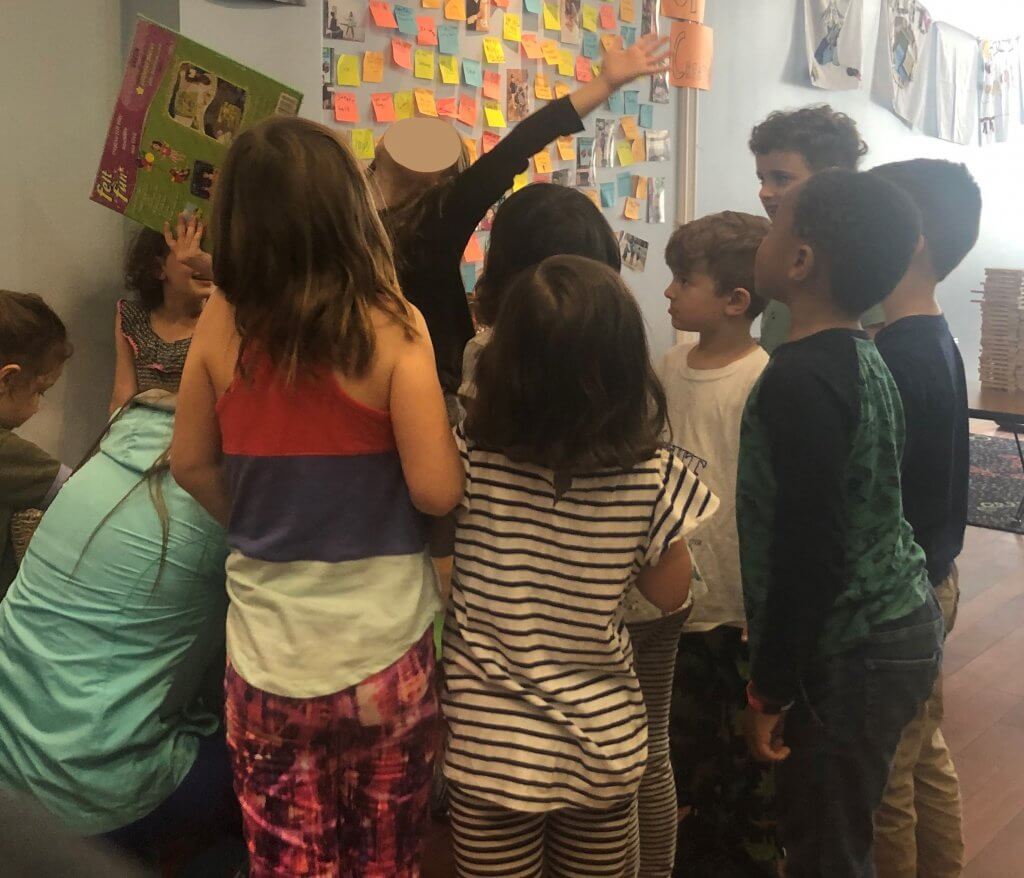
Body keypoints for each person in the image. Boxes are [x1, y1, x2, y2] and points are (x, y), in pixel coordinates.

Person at [170, 115, 464, 877]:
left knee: (290, 859)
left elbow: (190, 464)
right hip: (383, 656)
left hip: (269, 659)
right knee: (388, 853)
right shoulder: (396, 326)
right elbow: (436, 488)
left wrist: (260, 522)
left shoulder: (220, 322)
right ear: (351, 210)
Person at [444, 254, 719, 876]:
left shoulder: (468, 458)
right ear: (625, 372)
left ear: (504, 362)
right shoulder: (652, 478)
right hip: (601, 746)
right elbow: (671, 593)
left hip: (489, 750)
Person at [737, 169, 944, 877]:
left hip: (857, 647)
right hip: (891, 624)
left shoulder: (798, 379)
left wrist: (771, 687)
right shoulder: (864, 353)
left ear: (799, 263)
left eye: (773, 226)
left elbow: (809, 548)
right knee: (839, 825)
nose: (762, 233)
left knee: (826, 843)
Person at [371, 35, 669, 417]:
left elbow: (519, 145)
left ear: (442, 180)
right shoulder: (349, 211)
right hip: (382, 380)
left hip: (429, 386)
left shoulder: (434, 221)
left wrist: (604, 84)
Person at [0, 392, 236, 865]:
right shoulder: (228, 493)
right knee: (292, 778)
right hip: (85, 791)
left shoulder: (118, 440)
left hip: (9, 751)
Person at [656, 212, 782, 875]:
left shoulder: (763, 380)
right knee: (677, 745)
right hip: (671, 597)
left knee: (735, 762)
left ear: (737, 302)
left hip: (730, 611)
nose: (669, 293)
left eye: (683, 281)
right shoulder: (671, 365)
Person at [869, 159, 982, 878]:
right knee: (922, 752)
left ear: (906, 239)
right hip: (936, 579)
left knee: (884, 780)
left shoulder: (893, 357)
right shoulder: (932, 335)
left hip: (899, 597)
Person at [748, 104, 885, 351]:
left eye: (781, 179)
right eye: (762, 179)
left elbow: (875, 349)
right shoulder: (779, 249)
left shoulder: (855, 257)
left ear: (831, 180)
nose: (764, 192)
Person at [0, 290, 72, 597]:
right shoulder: (9, 455)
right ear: (7, 380)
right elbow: (80, 492)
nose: (39, 406)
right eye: (39, 392)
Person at [111, 226, 214, 412]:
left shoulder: (221, 321)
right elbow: (122, 397)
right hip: (143, 434)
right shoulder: (132, 318)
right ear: (158, 267)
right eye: (190, 251)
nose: (202, 263)